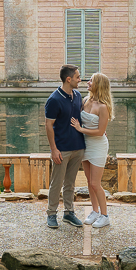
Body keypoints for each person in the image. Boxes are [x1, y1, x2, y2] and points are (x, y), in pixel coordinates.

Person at [44, 64, 85, 229]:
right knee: (57, 182)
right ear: (69, 79)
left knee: (70, 183)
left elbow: (82, 117)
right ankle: (51, 214)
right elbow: (48, 125)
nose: (80, 80)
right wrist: (54, 149)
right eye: (77, 77)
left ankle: (69, 213)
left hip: (78, 147)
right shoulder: (54, 99)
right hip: (62, 150)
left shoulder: (78, 95)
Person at [71, 72, 113, 227]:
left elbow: (101, 132)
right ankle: (95, 211)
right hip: (85, 144)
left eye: (91, 81)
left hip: (98, 146)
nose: (87, 82)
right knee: (89, 182)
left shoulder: (103, 107)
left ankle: (105, 215)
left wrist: (80, 130)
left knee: (96, 183)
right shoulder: (85, 100)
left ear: (98, 85)